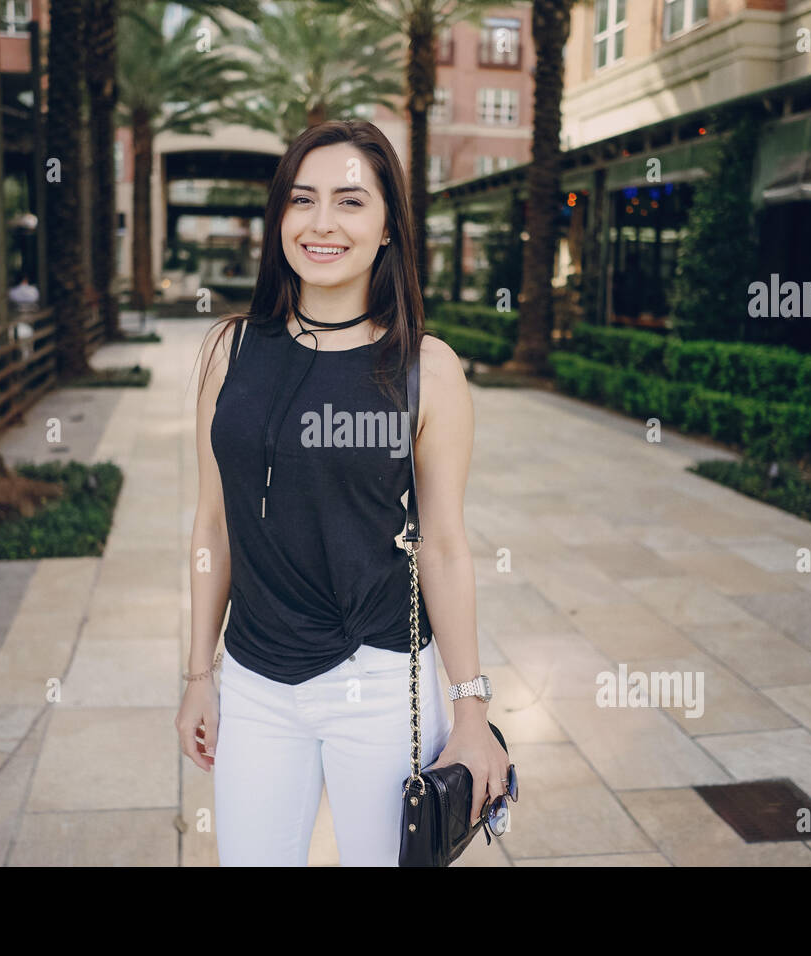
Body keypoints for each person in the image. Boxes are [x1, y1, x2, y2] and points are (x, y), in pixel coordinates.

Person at [176, 120, 509, 866]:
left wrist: (472, 709)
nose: (322, 223)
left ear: (389, 227)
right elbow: (212, 530)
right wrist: (200, 677)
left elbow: (446, 546)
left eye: (350, 202)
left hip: (383, 681)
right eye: (303, 200)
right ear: (280, 219)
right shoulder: (230, 353)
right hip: (258, 681)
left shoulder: (427, 368)